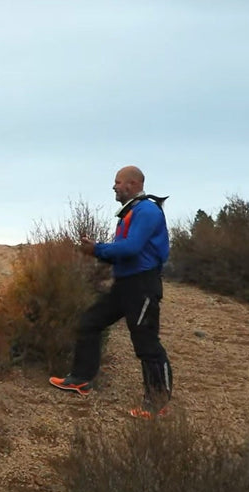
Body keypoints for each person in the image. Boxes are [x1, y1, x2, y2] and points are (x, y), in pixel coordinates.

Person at [49, 165, 174, 419]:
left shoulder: (147, 210)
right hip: (125, 286)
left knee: (146, 344)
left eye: (118, 182)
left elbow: (131, 248)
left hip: (142, 287)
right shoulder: (130, 212)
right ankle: (81, 378)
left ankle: (157, 402)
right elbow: (123, 253)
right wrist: (95, 251)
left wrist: (96, 249)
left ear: (133, 184)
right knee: (90, 321)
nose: (114, 186)